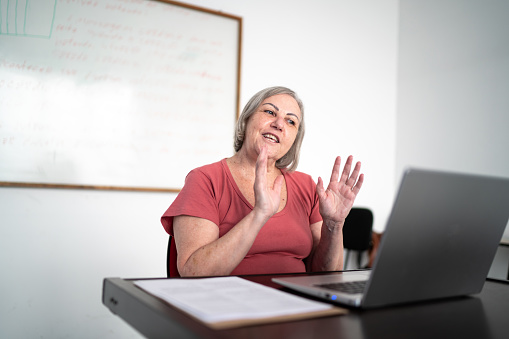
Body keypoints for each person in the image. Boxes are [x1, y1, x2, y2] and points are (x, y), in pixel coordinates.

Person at [161, 86, 364, 277]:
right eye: (269, 112)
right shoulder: (205, 179)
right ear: (247, 119)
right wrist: (259, 215)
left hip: (297, 305)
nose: (279, 124)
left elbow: (326, 275)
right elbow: (193, 272)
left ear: (294, 140)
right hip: (229, 306)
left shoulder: (306, 186)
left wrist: (334, 225)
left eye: (291, 121)